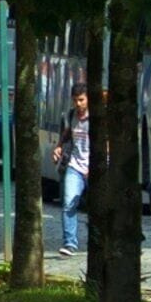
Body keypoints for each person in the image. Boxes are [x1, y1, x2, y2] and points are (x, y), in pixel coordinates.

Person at [60, 87, 94, 253]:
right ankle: (70, 243)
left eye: (81, 100)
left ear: (88, 99)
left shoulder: (96, 118)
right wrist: (59, 147)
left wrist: (96, 166)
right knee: (69, 204)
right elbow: (68, 133)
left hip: (93, 168)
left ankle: (97, 242)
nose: (78, 104)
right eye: (75, 100)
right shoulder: (72, 115)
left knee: (96, 207)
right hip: (75, 166)